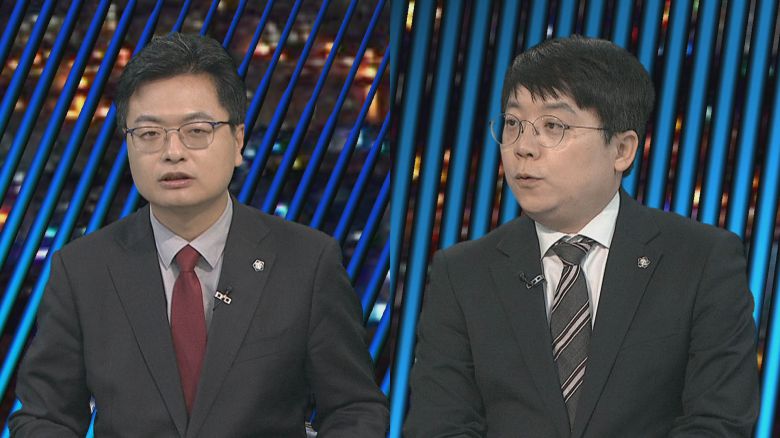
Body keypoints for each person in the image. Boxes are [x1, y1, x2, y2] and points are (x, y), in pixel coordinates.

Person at [10, 33, 388, 437]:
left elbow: (354, 409)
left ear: (238, 140)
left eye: (196, 130)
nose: (173, 151)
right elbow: (42, 418)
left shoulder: (306, 262)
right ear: (128, 145)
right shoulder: (82, 269)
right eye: (149, 133)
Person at [405, 36, 759, 437]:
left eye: (553, 126)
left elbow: (718, 423)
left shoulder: (702, 260)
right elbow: (440, 425)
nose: (523, 148)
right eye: (513, 124)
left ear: (622, 150)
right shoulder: (462, 273)